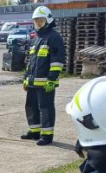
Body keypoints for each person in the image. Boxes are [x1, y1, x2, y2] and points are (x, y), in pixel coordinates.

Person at [21, 6, 65, 146]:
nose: (38, 24)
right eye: (36, 21)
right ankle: (35, 131)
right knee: (31, 106)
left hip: (46, 83)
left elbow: (57, 61)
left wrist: (52, 79)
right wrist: (25, 78)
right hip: (33, 82)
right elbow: (30, 61)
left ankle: (47, 135)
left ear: (48, 20)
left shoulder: (54, 37)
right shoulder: (36, 38)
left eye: (41, 21)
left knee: (45, 108)